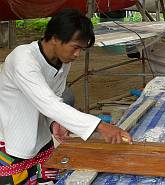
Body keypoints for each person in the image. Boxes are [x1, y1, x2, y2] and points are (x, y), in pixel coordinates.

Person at [0, 8, 132, 184]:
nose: (77, 54)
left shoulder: (62, 60)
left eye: (81, 49)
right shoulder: (23, 59)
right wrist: (101, 126)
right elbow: (48, 103)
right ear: (55, 38)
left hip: (42, 142)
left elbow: (54, 96)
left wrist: (55, 122)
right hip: (12, 143)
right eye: (75, 47)